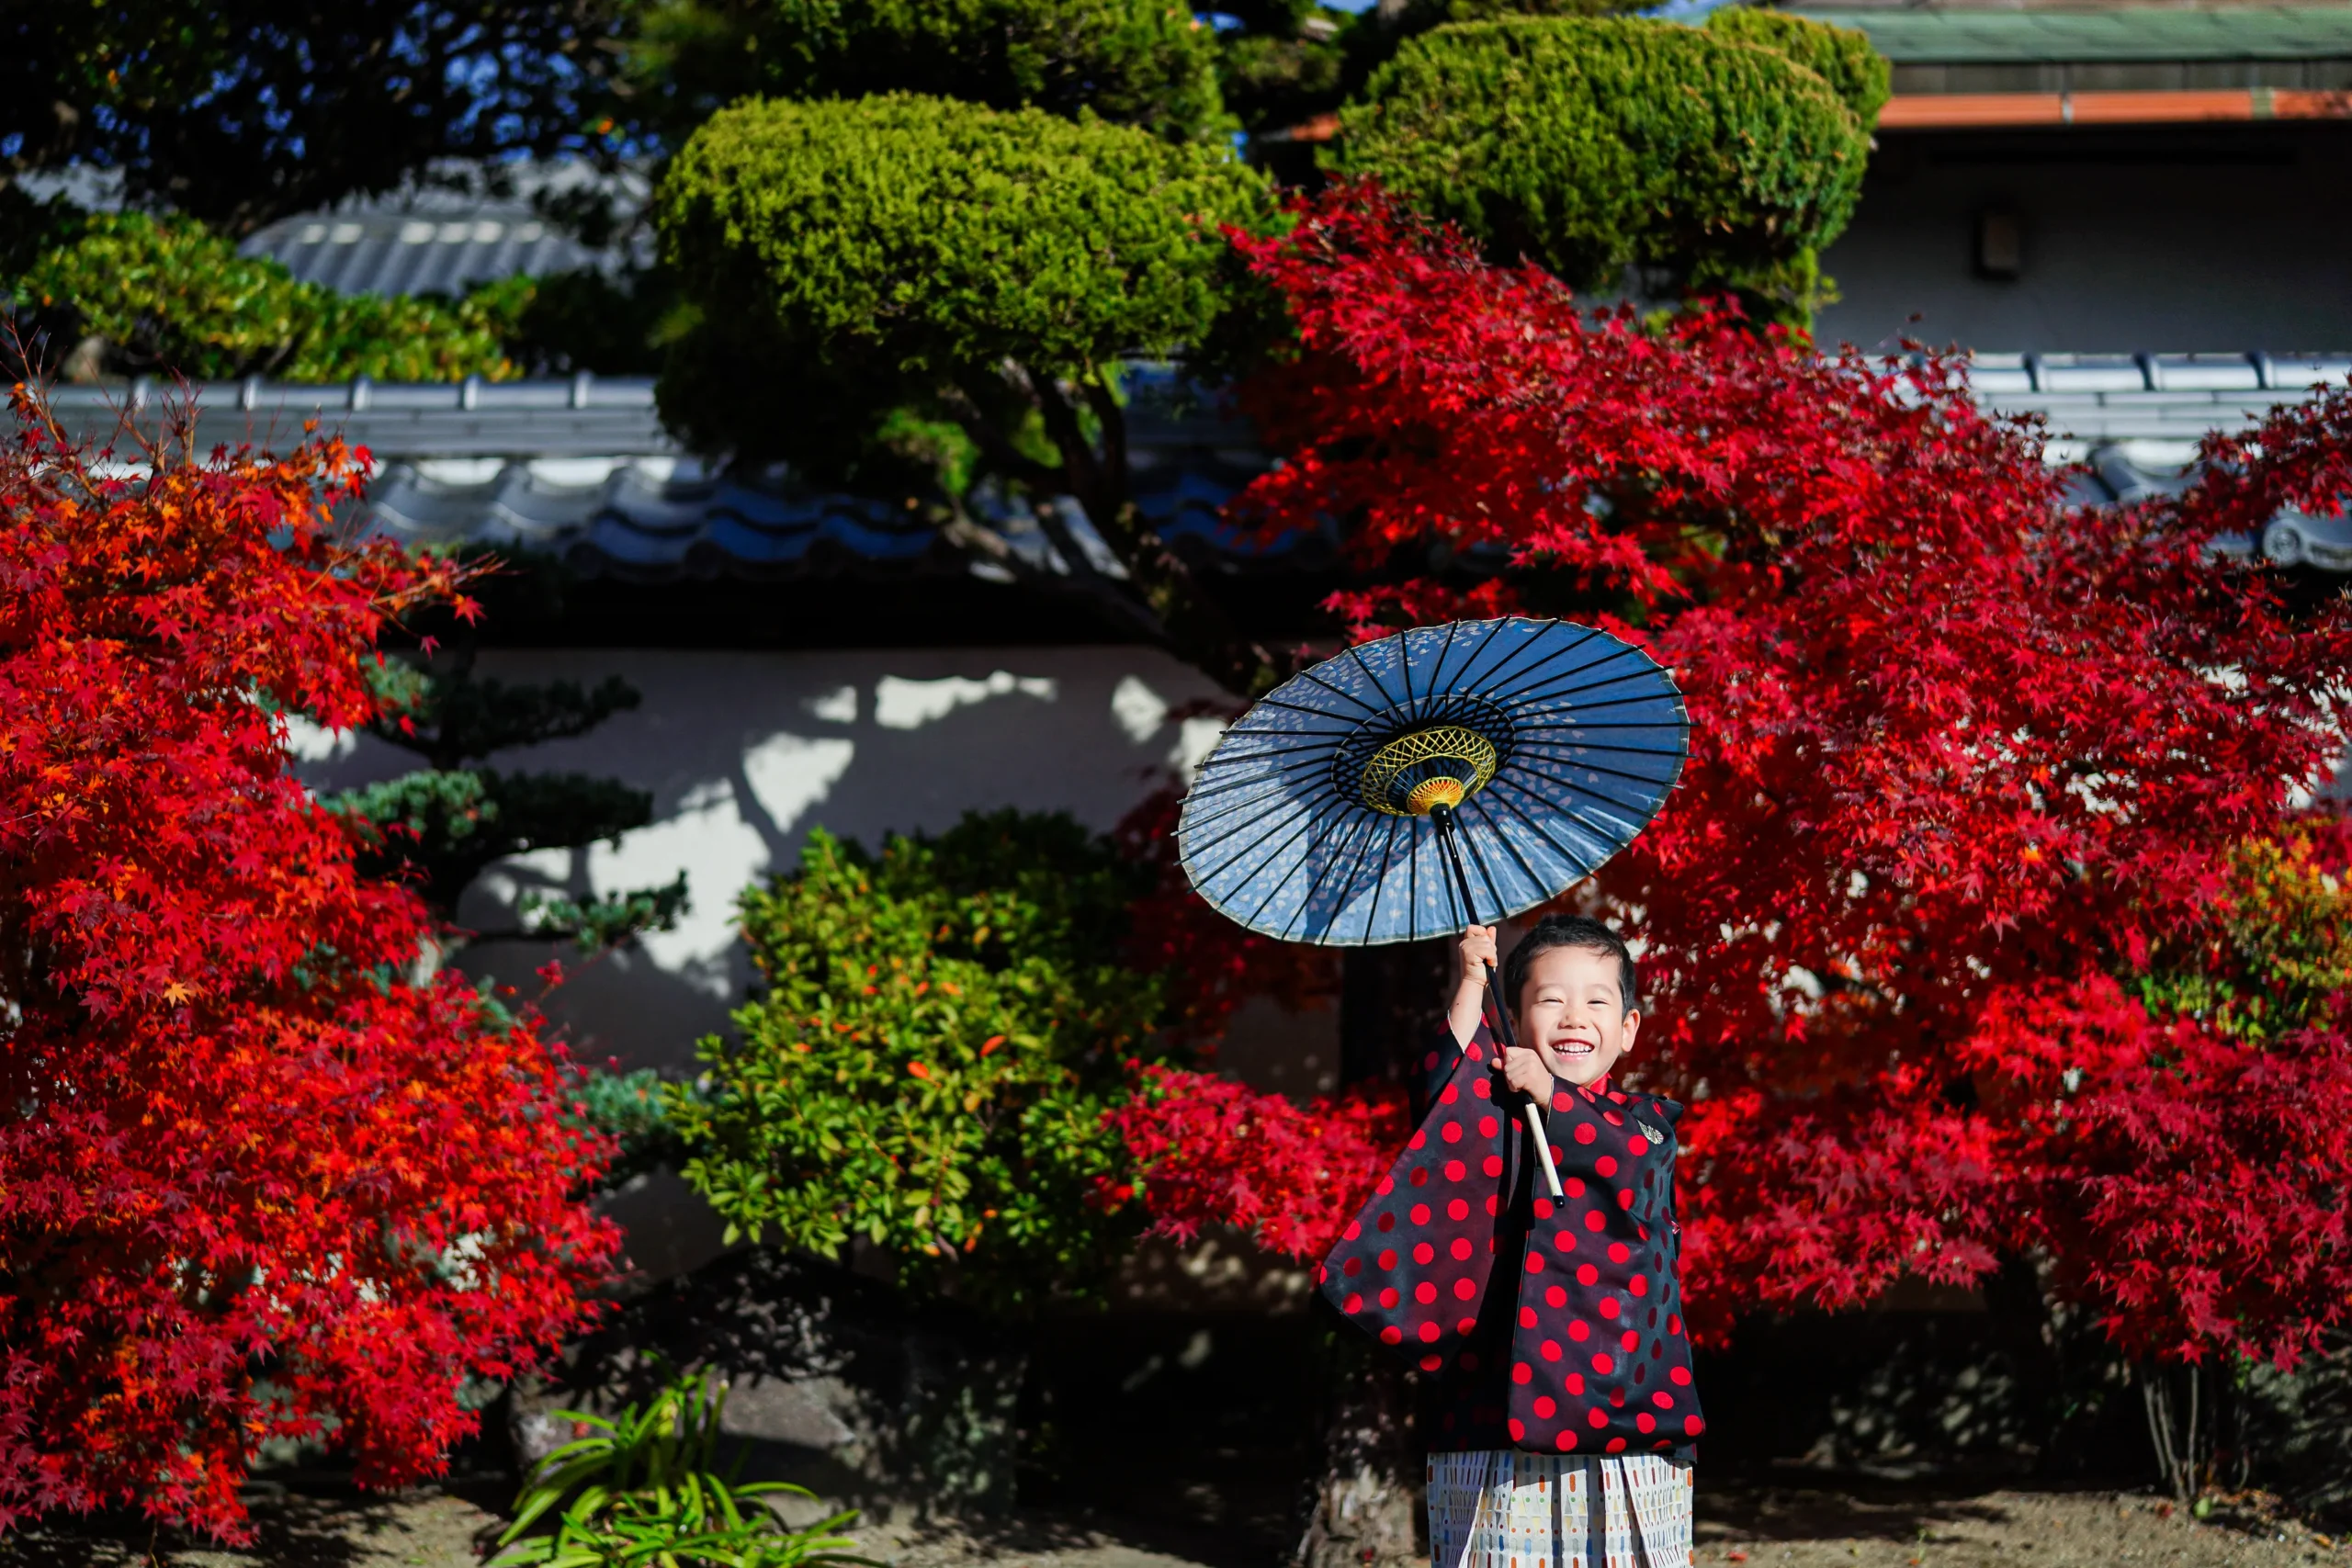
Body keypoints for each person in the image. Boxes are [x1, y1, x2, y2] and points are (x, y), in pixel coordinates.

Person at [1317, 914, 1700, 1568]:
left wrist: (1553, 1095)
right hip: (1492, 1398)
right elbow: (1441, 1090)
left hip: (1622, 1400)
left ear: (1628, 1028)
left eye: (1597, 1001)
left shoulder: (1647, 1125)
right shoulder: (1497, 1114)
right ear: (1515, 1024)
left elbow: (1624, 1160)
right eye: (1550, 999)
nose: (1574, 1016)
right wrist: (1472, 980)